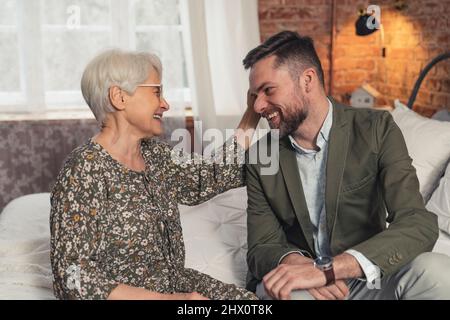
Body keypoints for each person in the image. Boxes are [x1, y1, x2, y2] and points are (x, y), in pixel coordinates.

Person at [243, 30, 450, 300]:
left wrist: (329, 270)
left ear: (307, 80)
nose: (258, 105)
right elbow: (261, 246)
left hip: (368, 275)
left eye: (268, 90)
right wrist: (298, 266)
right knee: (280, 293)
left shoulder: (376, 128)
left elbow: (417, 223)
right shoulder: (261, 155)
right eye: (254, 95)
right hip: (306, 284)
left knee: (438, 272)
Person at [50, 49, 259, 300]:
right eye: (156, 91)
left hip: (174, 283)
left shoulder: (155, 155)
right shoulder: (83, 170)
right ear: (119, 97)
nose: (165, 104)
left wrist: (253, 113)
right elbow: (73, 276)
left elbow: (212, 174)